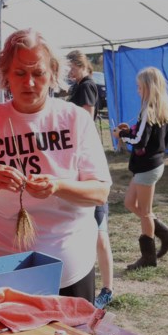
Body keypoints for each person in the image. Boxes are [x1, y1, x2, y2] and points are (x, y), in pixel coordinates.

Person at [0, 29, 111, 302]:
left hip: (69, 271)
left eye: (38, 73)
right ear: (5, 75)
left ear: (53, 73)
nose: (29, 83)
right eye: (20, 73)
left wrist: (57, 186)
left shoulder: (75, 119)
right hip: (0, 271)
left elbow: (100, 192)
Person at [114, 67, 168, 271]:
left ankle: (148, 257)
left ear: (149, 88)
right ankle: (165, 234)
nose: (137, 91)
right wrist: (128, 131)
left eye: (139, 87)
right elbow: (152, 138)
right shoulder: (160, 110)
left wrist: (121, 135)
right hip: (151, 165)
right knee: (130, 203)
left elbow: (139, 141)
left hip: (148, 168)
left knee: (145, 213)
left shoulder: (148, 111)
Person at [66, 50, 113, 306]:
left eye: (72, 68)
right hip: (77, 162)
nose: (69, 73)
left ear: (80, 65)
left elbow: (85, 116)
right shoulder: (79, 86)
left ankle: (107, 288)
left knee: (99, 232)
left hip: (85, 161)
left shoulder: (87, 86)